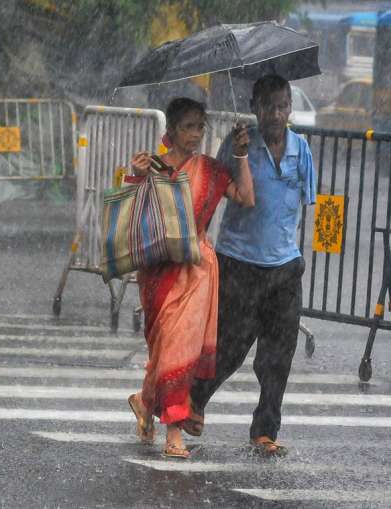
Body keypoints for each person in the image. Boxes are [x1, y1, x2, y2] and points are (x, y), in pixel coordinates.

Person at [186, 74, 317, 457]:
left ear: (289, 108)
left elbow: (304, 203)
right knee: (230, 346)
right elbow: (218, 192)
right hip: (239, 261)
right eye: (268, 106)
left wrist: (295, 255)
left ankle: (265, 428)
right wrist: (240, 153)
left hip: (284, 266)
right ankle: (194, 401)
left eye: (282, 106)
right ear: (255, 108)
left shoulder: (301, 150)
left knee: (279, 355)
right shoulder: (238, 144)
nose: (275, 114)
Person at [126, 97, 254, 459]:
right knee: (165, 348)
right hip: (158, 271)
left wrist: (241, 155)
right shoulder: (153, 166)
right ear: (171, 131)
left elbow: (245, 197)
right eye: (188, 126)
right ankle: (144, 400)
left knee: (179, 350)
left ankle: (174, 433)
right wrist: (137, 176)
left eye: (200, 126)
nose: (196, 133)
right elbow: (134, 217)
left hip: (196, 269)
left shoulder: (212, 171)